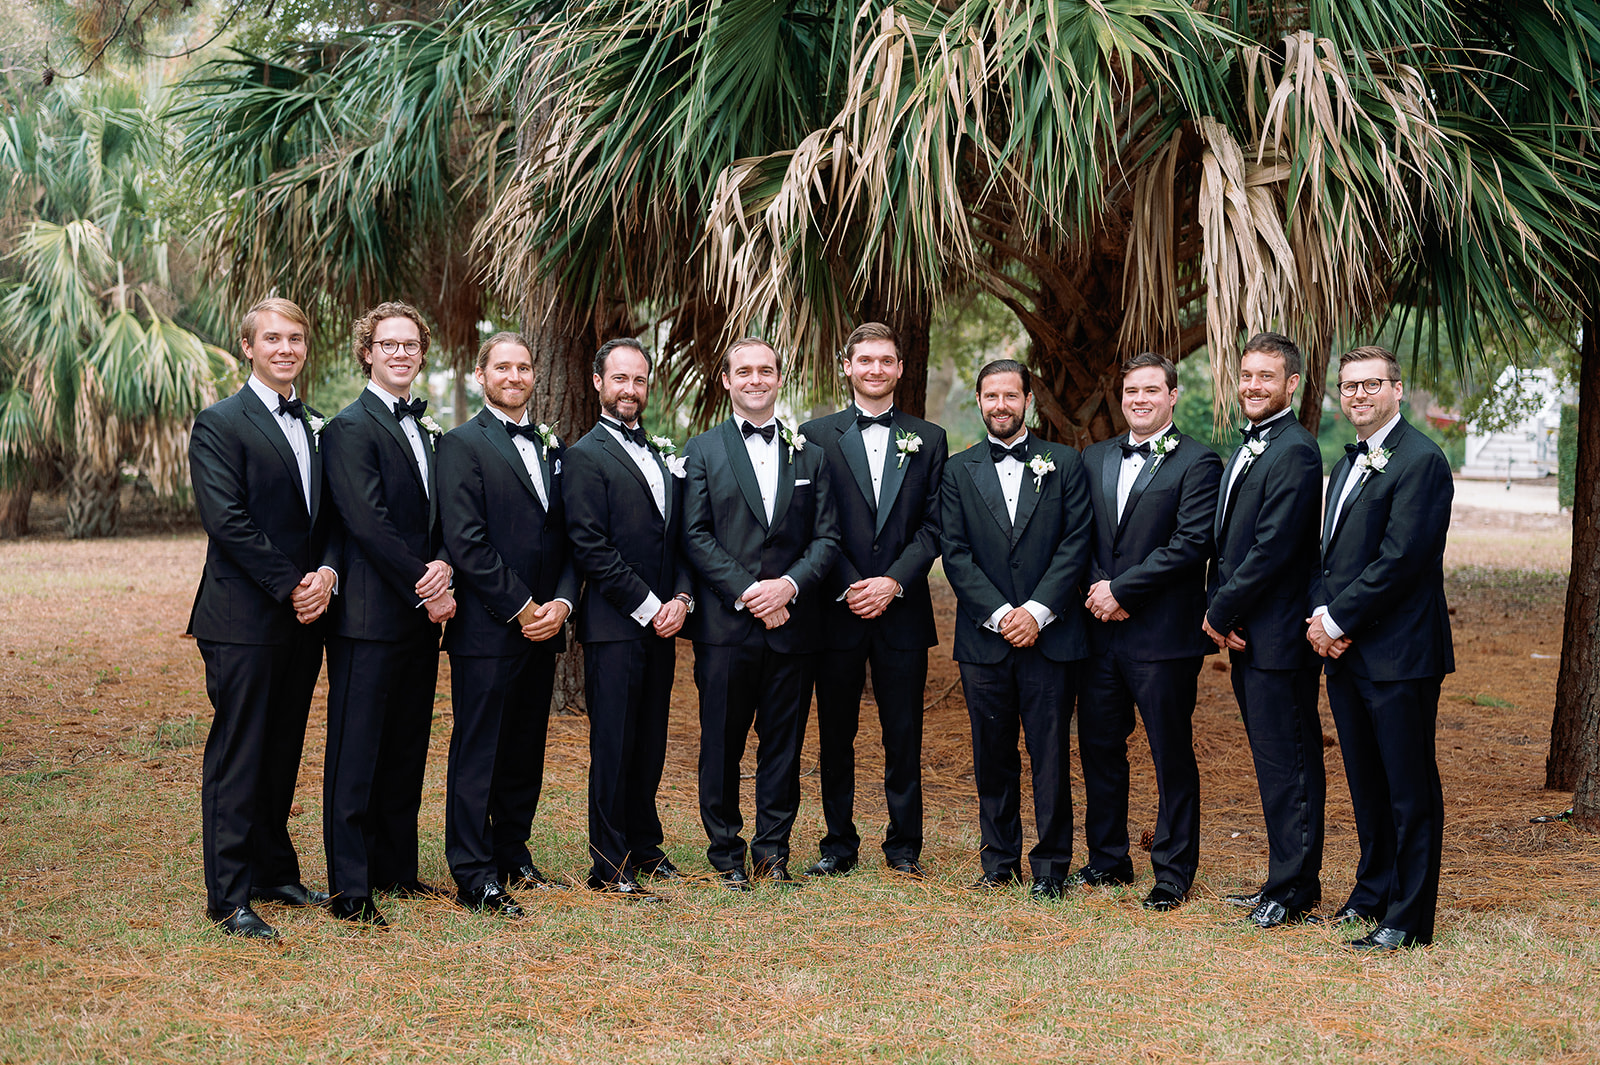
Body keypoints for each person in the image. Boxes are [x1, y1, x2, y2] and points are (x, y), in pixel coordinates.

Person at [187, 297, 339, 939]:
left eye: (296, 339)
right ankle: (228, 893)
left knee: (282, 749)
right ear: (248, 346)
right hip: (242, 616)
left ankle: (274, 869)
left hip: (304, 616)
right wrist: (292, 585)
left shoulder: (313, 424)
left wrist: (327, 574)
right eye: (272, 338)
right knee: (239, 752)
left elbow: (330, 516)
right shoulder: (219, 423)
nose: (285, 349)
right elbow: (227, 521)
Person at [681, 337, 841, 889]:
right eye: (743, 371)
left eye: (766, 370)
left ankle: (773, 851)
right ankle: (725, 853)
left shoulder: (810, 455)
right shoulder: (700, 450)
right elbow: (695, 536)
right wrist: (753, 593)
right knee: (721, 744)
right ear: (726, 380)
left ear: (779, 379)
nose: (755, 379)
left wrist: (789, 588)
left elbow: (827, 537)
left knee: (783, 746)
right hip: (727, 627)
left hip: (794, 626)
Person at [1309, 345, 1453, 951]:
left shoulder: (1421, 461)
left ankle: (1408, 917)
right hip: (1347, 654)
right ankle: (1371, 895)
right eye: (1348, 386)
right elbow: (1331, 552)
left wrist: (1336, 620)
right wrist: (1321, 615)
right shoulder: (1346, 464)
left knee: (1408, 789)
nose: (1358, 396)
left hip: (1399, 655)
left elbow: (1401, 562)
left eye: (1371, 385)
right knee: (1367, 785)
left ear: (1397, 389)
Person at [321, 301, 454, 927]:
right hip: (370, 618)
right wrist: (426, 584)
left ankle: (396, 868)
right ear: (367, 353)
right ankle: (351, 888)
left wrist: (446, 566)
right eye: (388, 344)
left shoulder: (425, 431)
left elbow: (439, 516)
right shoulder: (350, 427)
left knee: (405, 745)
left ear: (421, 354)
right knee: (356, 751)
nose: (400, 354)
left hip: (419, 619)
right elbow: (366, 523)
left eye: (410, 345)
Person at [436, 332, 578, 917]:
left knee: (525, 747)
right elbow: (467, 543)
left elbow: (572, 537)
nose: (515, 376)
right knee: (479, 749)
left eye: (524, 367)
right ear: (480, 374)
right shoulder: (461, 445)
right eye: (503, 367)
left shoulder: (553, 446)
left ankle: (513, 851)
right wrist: (521, 608)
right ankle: (473, 871)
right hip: (489, 628)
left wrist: (562, 605)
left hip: (546, 624)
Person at [939, 359, 1092, 900]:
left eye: (1010, 395)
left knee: (1050, 753)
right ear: (978, 402)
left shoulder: (1066, 463)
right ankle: (999, 861)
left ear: (1028, 398)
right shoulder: (957, 471)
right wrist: (1003, 615)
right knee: (993, 755)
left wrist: (1037, 611)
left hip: (1051, 638)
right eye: (990, 397)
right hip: (985, 640)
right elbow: (954, 554)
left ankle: (1051, 866)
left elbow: (1076, 543)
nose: (1000, 405)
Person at [798, 323, 946, 881]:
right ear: (847, 367)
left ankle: (904, 845)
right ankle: (838, 843)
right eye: (865, 360)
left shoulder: (929, 439)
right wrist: (853, 583)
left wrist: (893, 582)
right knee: (836, 733)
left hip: (902, 610)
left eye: (886, 360)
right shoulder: (813, 435)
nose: (876, 369)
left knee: (903, 732)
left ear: (901, 368)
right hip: (836, 609)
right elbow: (810, 523)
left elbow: (934, 526)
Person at [1077, 352, 1222, 912]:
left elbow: (1191, 545)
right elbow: (1082, 536)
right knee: (1099, 748)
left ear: (1172, 396)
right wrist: (1098, 589)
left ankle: (1173, 870)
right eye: (1131, 390)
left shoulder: (1198, 462)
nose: (1139, 399)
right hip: (1099, 633)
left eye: (1151, 390)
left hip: (1163, 638)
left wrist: (1123, 591)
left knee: (1170, 753)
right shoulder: (1094, 457)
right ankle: (1108, 859)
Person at [562, 338, 693, 900]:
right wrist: (648, 606)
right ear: (598, 382)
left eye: (639, 380)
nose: (630, 390)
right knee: (613, 744)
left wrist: (681, 603)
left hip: (664, 623)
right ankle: (608, 862)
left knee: (650, 740)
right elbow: (590, 547)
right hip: (616, 625)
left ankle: (645, 843)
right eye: (620, 379)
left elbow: (682, 539)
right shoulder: (584, 455)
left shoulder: (664, 453)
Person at [1203, 333, 1326, 928]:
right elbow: (1225, 545)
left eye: (1265, 377)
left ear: (1292, 385)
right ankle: (1280, 879)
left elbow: (1273, 547)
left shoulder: (1297, 451)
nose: (1252, 385)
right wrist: (1222, 607)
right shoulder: (1250, 447)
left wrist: (1220, 611)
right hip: (1252, 635)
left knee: (1292, 764)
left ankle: (1296, 891)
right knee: (1272, 763)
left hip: (1279, 638)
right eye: (1246, 375)